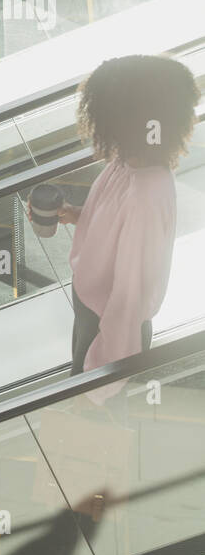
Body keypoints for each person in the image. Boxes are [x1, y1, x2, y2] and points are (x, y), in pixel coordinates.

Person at [43, 56, 198, 382]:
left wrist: (100, 381)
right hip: (92, 308)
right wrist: (78, 215)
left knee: (96, 421)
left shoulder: (145, 195)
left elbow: (128, 300)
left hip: (107, 329)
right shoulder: (127, 163)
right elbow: (115, 223)